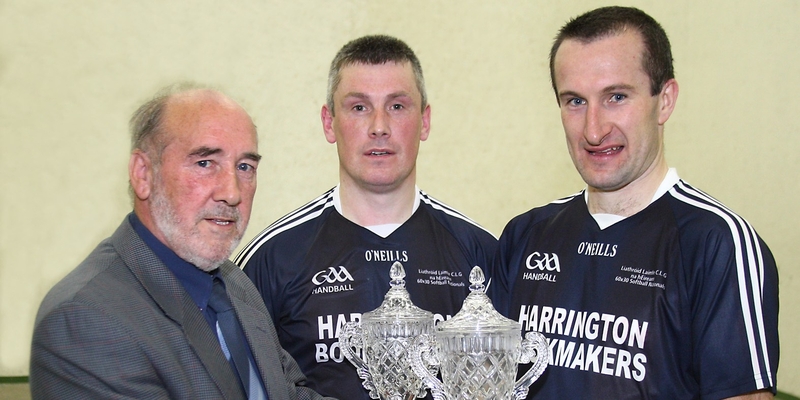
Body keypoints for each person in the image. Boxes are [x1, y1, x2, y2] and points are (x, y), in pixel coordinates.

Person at [492, 6, 779, 399]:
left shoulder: (717, 245)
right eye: (575, 101)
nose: (594, 129)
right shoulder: (525, 236)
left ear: (665, 100)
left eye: (616, 97)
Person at [235, 35, 497, 399]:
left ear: (424, 120)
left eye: (398, 106)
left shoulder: (479, 253)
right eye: (359, 107)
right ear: (329, 122)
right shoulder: (271, 257)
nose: (379, 126)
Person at [30, 85, 334, 400]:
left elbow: (289, 394)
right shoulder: (85, 320)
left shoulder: (233, 282)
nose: (231, 192)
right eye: (205, 163)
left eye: (245, 167)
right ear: (143, 174)